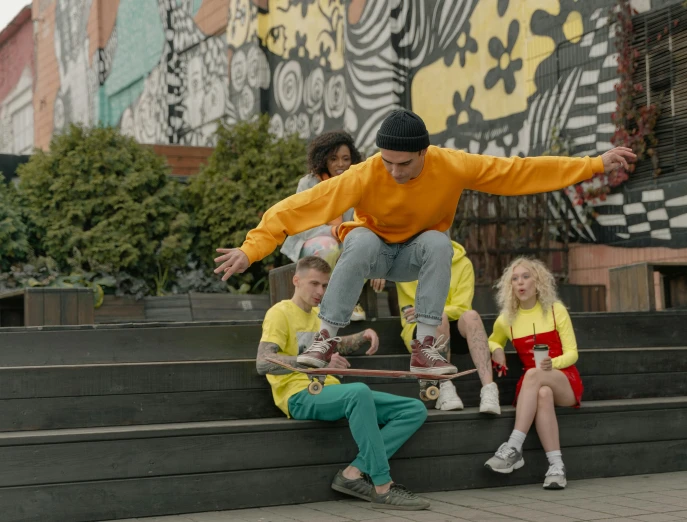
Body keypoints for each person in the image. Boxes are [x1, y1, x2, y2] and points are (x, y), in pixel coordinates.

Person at [215, 108, 635, 377]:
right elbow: (300, 207)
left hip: (414, 258)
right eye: (387, 162)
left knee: (438, 242)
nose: (394, 172)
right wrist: (251, 248)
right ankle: (325, 338)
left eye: (404, 164)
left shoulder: (450, 164)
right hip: (374, 253)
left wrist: (593, 165)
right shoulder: (365, 173)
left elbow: (516, 172)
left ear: (424, 153)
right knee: (357, 240)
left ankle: (425, 346)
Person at [256, 256, 431, 510]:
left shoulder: (319, 315)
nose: (320, 291)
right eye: (314, 284)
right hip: (299, 395)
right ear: (296, 280)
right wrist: (314, 362)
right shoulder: (279, 313)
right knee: (359, 392)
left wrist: (361, 336)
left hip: (332, 391)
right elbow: (263, 362)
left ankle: (352, 474)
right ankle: (383, 487)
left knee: (414, 410)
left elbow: (332, 346)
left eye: (325, 286)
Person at [483, 256, 583, 490]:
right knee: (543, 394)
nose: (521, 283)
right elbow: (489, 340)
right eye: (515, 279)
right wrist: (497, 348)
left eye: (526, 277)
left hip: (564, 379)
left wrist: (553, 363)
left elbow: (573, 353)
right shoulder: (506, 319)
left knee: (537, 377)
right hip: (534, 385)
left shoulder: (556, 310)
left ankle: (514, 446)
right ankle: (556, 467)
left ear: (538, 282)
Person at [396, 239, 505, 414]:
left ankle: (489, 389)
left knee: (472, 316)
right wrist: (378, 274)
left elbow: (462, 307)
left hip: (451, 328)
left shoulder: (463, 263)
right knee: (439, 317)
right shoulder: (404, 261)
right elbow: (365, 258)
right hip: (419, 332)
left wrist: (429, 310)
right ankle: (445, 386)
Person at [280, 130, 372, 321]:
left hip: (346, 239)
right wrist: (332, 231)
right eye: (334, 158)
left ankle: (346, 301)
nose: (340, 164)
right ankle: (323, 303)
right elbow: (301, 225)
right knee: (328, 246)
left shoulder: (358, 182)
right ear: (323, 160)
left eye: (346, 158)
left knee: (363, 247)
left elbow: (367, 221)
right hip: (312, 242)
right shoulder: (307, 184)